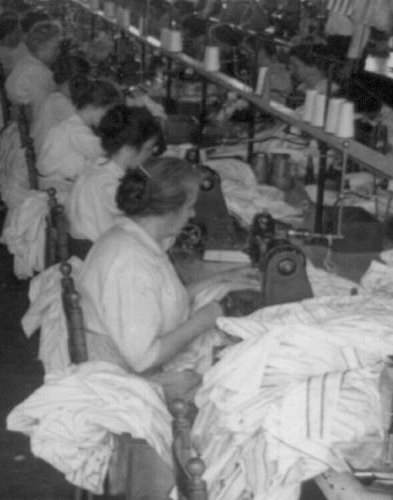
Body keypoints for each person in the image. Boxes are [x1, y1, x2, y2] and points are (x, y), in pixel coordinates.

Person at [76, 157, 258, 399]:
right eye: (189, 207)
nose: (192, 213)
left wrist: (224, 277)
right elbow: (144, 359)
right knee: (241, 382)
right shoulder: (131, 264)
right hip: (124, 379)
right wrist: (208, 316)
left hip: (130, 358)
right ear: (170, 211)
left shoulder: (136, 239)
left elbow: (167, 297)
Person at [66, 105, 161, 254]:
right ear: (128, 148)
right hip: (93, 257)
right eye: (148, 149)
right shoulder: (109, 185)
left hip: (90, 250)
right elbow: (140, 227)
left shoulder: (97, 167)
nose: (149, 155)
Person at [37, 78, 122, 194]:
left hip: (53, 184)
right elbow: (102, 152)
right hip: (59, 189)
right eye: (108, 113)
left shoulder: (71, 123)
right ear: (96, 107)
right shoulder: (77, 131)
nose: (109, 119)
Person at [30, 55, 92, 152]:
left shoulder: (57, 96)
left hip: (49, 151)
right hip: (49, 155)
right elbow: (84, 126)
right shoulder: (59, 103)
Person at [5, 21, 62, 112]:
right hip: (31, 121)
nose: (58, 52)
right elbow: (41, 110)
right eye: (55, 48)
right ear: (41, 47)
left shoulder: (28, 62)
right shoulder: (36, 73)